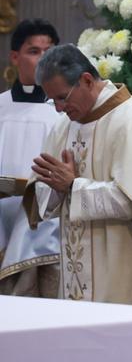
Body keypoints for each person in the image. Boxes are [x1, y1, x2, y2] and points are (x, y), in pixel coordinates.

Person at [22, 44, 132, 305]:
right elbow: (45, 192)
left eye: (62, 97)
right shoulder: (64, 126)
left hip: (121, 261)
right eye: (52, 100)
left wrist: (72, 186)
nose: (58, 108)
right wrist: (57, 188)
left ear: (87, 80)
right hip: (73, 267)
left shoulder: (131, 121)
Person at [0, 19, 61, 297]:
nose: (42, 60)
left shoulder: (63, 111)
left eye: (48, 52)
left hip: (44, 227)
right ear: (15, 57)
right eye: (33, 51)